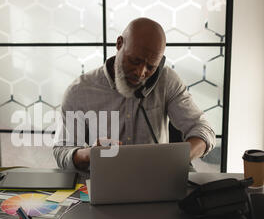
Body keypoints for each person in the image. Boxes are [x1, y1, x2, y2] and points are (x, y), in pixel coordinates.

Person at [53, 17, 216, 171]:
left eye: (151, 67)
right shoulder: (79, 91)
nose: (140, 72)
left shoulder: (166, 80)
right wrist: (89, 154)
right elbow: (62, 152)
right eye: (134, 61)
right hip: (103, 181)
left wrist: (177, 159)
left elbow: (203, 130)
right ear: (119, 44)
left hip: (157, 180)